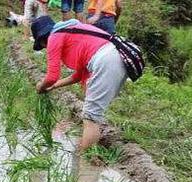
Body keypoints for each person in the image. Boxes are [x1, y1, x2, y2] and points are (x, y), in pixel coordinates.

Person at [31, 16, 128, 152]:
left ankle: (85, 158)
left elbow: (52, 76)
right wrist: (54, 86)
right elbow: (78, 76)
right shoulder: (73, 30)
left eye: (42, 45)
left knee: (90, 116)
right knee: (93, 113)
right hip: (120, 58)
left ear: (42, 39)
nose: (45, 47)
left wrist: (41, 86)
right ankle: (89, 150)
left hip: (106, 61)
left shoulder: (54, 36)